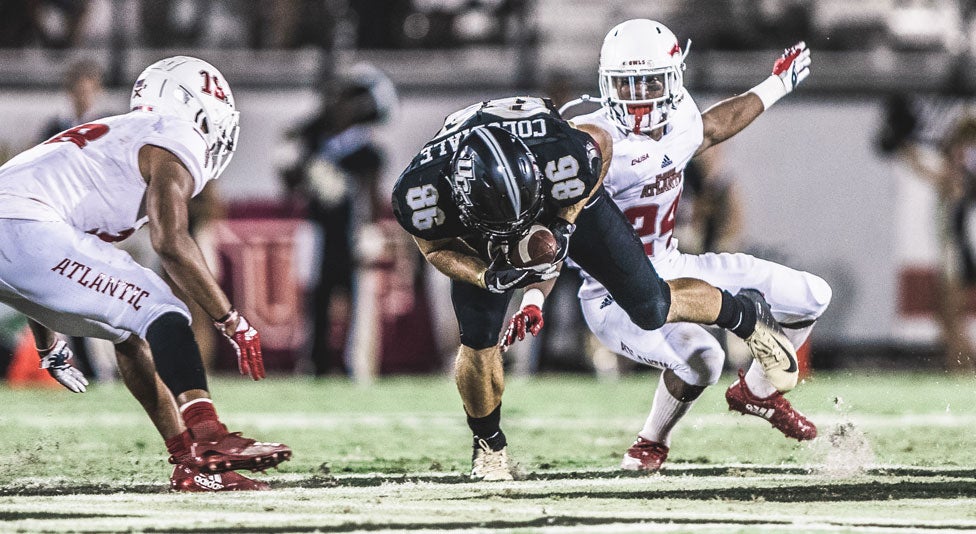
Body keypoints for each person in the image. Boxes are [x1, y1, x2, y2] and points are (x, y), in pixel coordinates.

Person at [392, 96, 800, 481]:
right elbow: (435, 249)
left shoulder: (561, 154)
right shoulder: (422, 190)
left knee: (651, 305)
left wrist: (566, 220)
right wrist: (485, 275)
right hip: (479, 240)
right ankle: (489, 446)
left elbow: (601, 143)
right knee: (478, 341)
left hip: (555, 203)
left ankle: (743, 314)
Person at [534, 19, 832, 472]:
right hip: (613, 295)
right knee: (704, 359)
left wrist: (774, 85)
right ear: (604, 85)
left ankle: (758, 394)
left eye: (649, 82)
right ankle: (650, 442)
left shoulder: (681, 118)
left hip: (671, 265)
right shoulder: (587, 143)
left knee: (813, 295)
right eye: (625, 85)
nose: (638, 96)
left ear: (673, 78)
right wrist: (534, 294)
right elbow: (554, 225)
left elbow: (711, 129)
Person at [0, 56, 292, 490]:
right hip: (25, 227)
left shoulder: (115, 141)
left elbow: (38, 261)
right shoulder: (174, 136)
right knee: (161, 306)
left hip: (21, 232)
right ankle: (209, 434)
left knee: (129, 332)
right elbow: (170, 242)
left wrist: (49, 345)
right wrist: (232, 319)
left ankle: (189, 464)